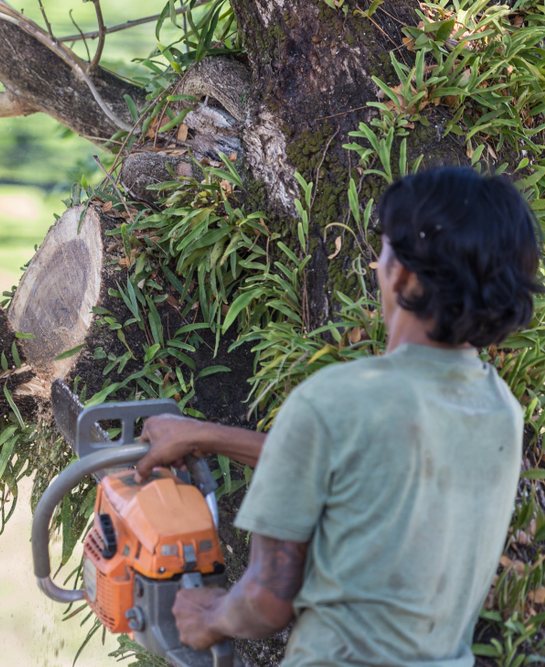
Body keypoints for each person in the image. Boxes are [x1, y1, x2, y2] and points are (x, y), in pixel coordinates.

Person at [135, 166, 542, 666]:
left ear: (404, 273)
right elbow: (363, 473)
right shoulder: (498, 407)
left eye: (386, 247)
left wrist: (211, 616)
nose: (377, 262)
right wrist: (210, 436)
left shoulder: (336, 399)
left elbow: (266, 601)